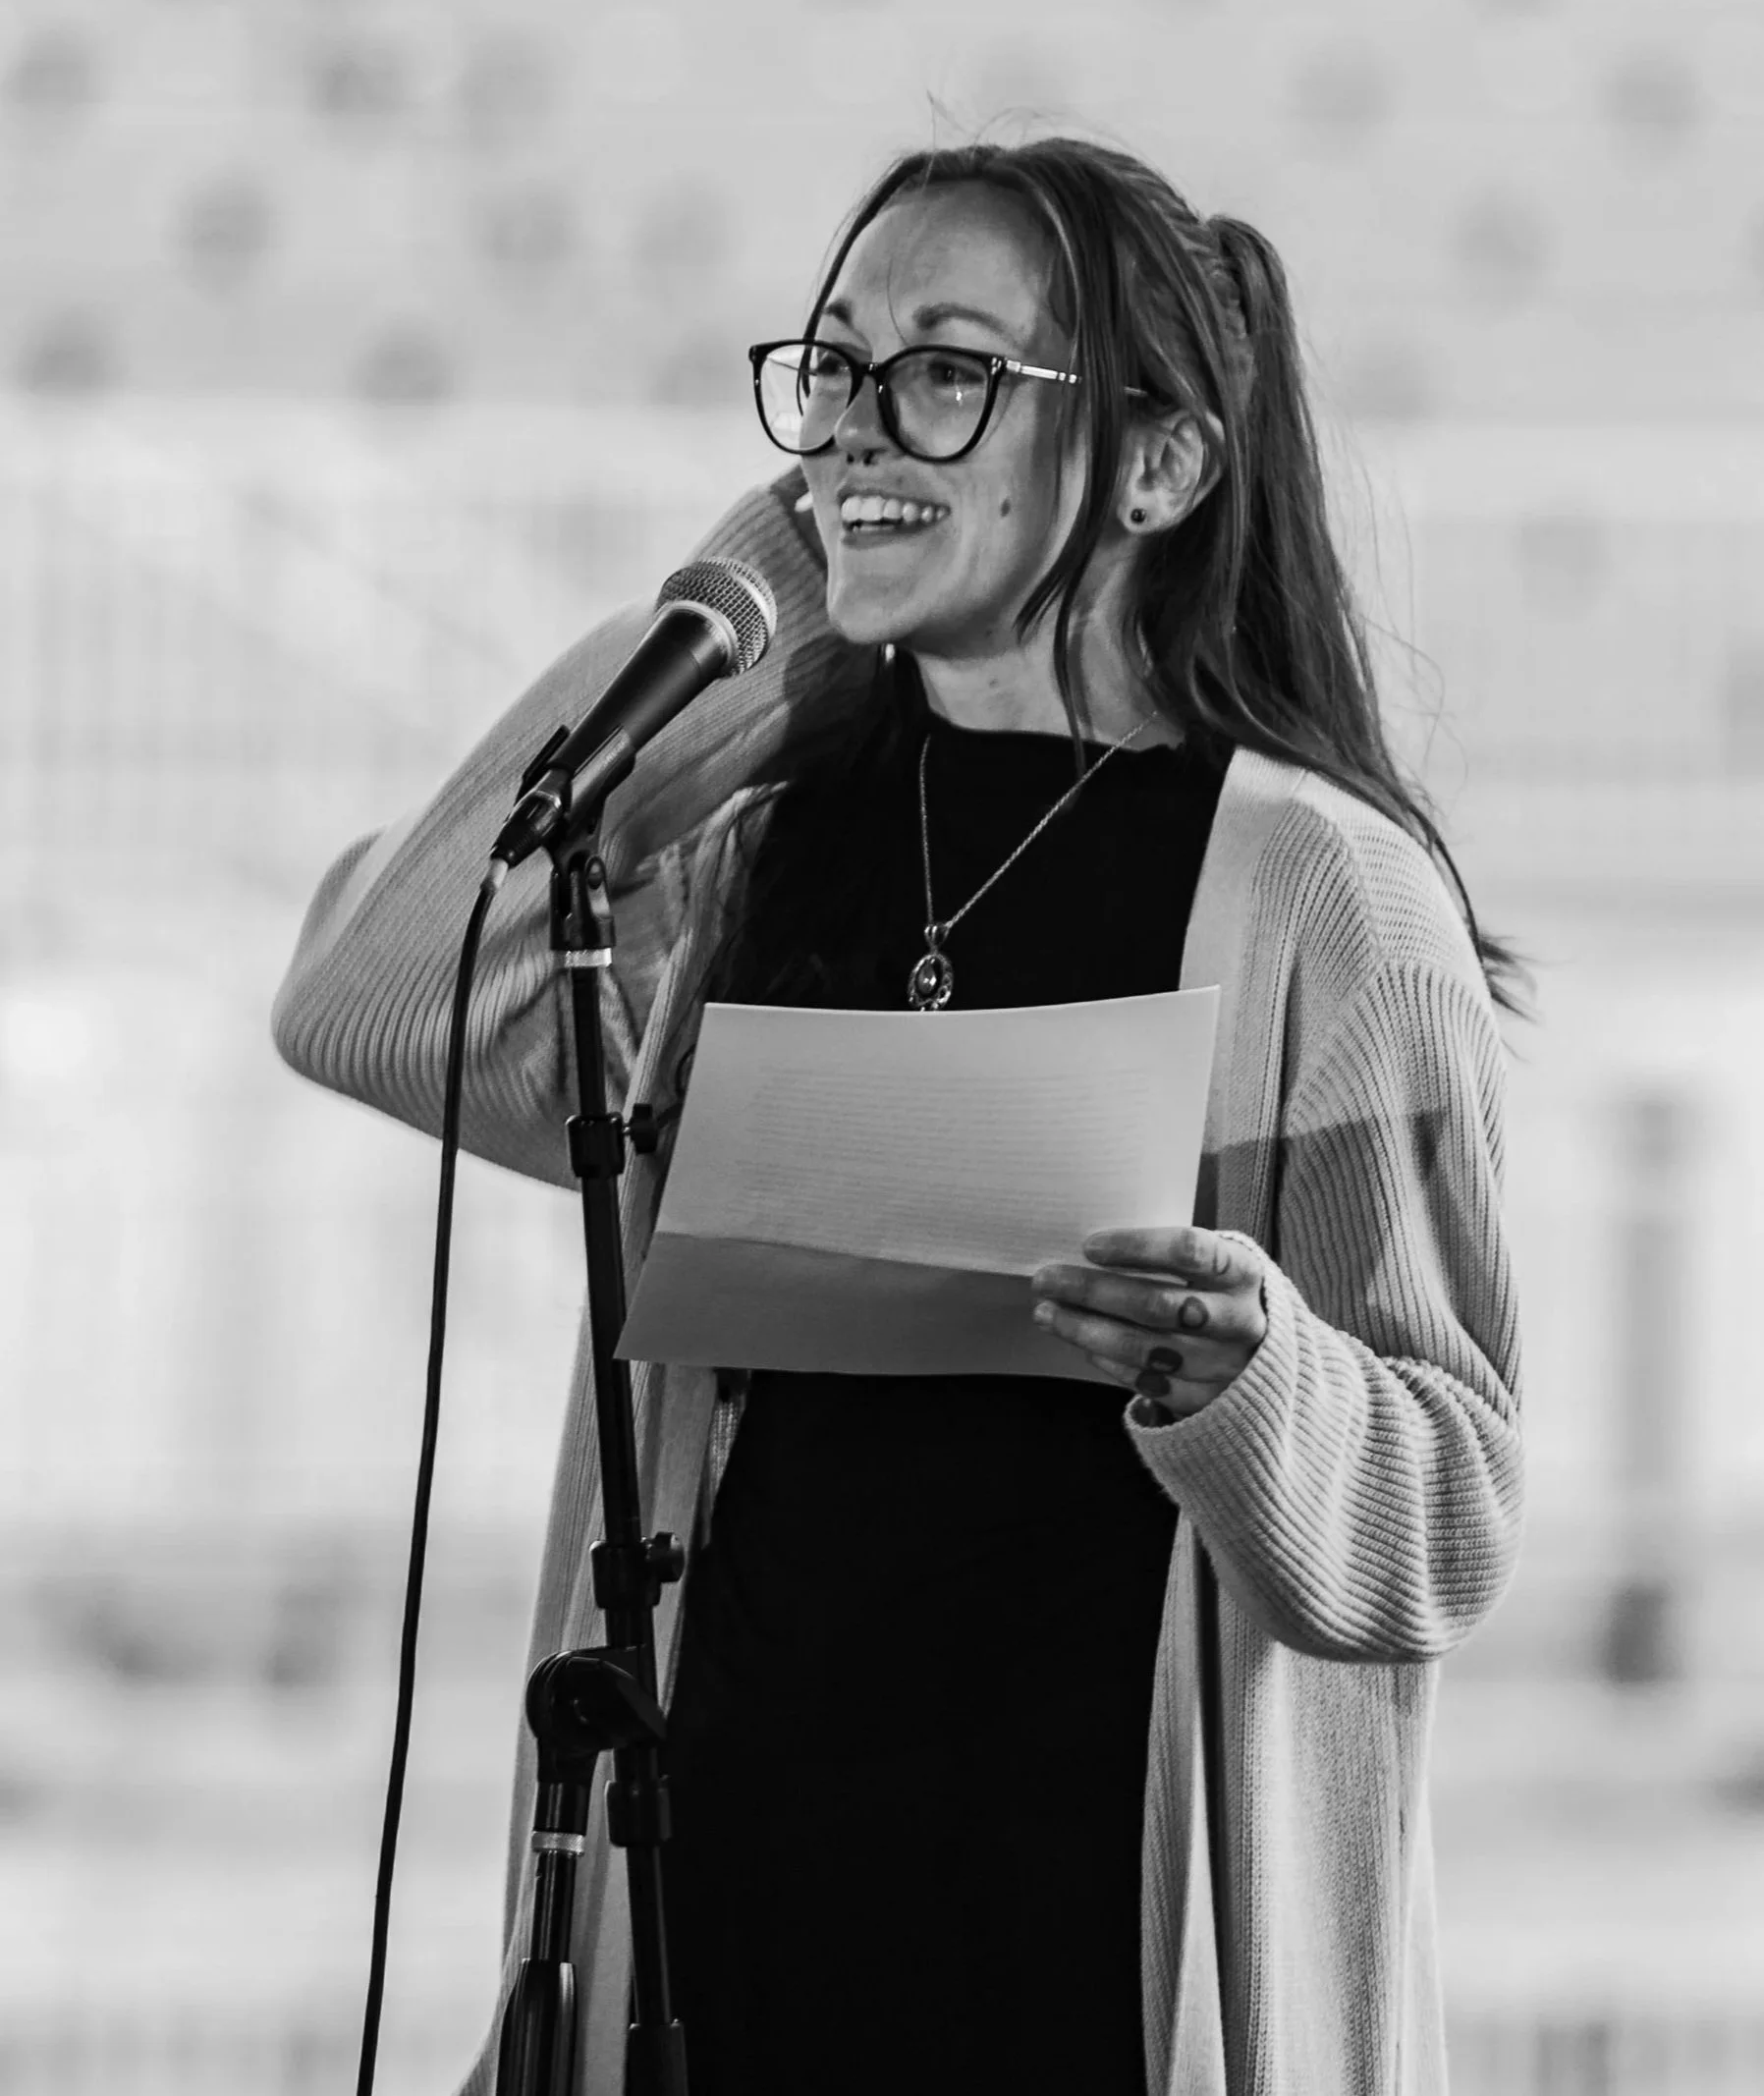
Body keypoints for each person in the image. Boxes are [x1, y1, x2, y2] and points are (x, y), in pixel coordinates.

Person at [273, 134, 1526, 2096]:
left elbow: (1445, 1513)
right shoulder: (751, 852)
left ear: (1158, 465)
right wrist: (762, 609)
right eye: (834, 370)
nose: (858, 423)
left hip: (1085, 1963)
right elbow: (372, 1004)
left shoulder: (1323, 901)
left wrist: (1247, 1374)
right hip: (727, 1934)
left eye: (945, 372)